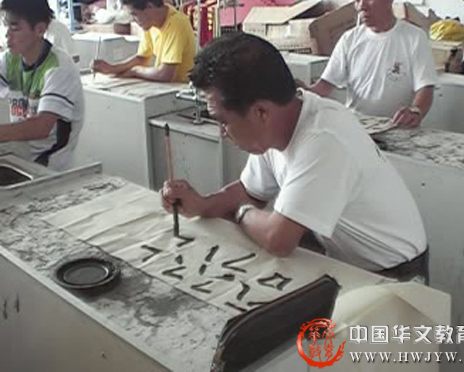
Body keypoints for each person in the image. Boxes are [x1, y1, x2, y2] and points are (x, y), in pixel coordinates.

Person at [161, 32, 429, 282]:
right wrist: (202, 205)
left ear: (260, 112)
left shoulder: (323, 139)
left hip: (394, 272)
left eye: (223, 121)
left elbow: (278, 239)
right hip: (344, 258)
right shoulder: (276, 124)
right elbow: (249, 191)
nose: (222, 133)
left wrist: (240, 213)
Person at [307, 0, 437, 128]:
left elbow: (425, 88)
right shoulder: (349, 40)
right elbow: (324, 87)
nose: (361, 6)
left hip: (397, 128)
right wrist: (301, 92)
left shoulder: (414, 38)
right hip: (356, 127)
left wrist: (415, 111)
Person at [0, 0, 84, 171]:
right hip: (20, 154)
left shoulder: (59, 67)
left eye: (14, 27)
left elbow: (41, 127)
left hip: (49, 165)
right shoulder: (11, 59)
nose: (7, 34)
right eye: (5, 25)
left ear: (40, 29)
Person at [92, 0, 195, 83]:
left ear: (149, 6)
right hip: (165, 87)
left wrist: (135, 71)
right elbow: (142, 59)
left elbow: (165, 74)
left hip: (181, 88)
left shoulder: (176, 23)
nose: (133, 20)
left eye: (135, 14)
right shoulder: (150, 24)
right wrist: (112, 69)